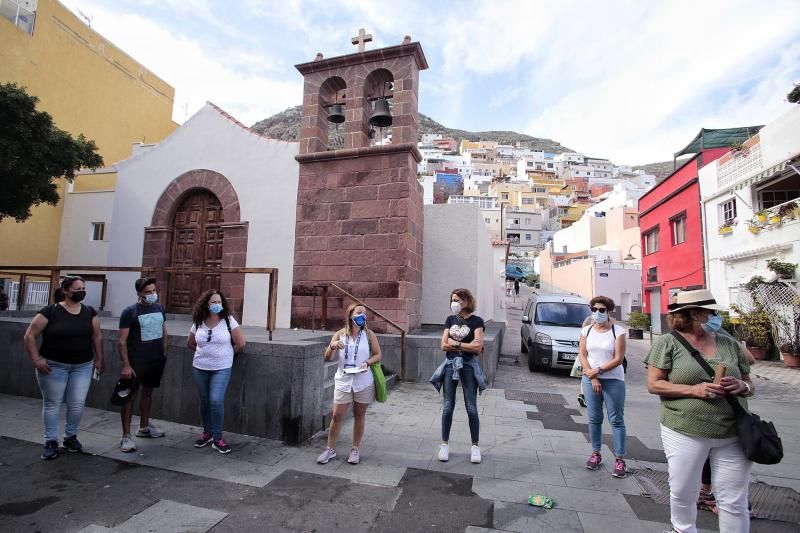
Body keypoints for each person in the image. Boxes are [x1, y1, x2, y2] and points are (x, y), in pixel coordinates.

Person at [644, 289, 753, 533]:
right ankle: (682, 529)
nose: (716, 317)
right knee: (683, 490)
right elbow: (654, 384)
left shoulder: (728, 344)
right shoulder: (668, 342)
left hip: (733, 431)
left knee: (734, 500)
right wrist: (695, 390)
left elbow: (750, 383)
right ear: (695, 314)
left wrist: (741, 386)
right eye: (711, 312)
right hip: (685, 429)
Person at [23, 276, 104, 460]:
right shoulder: (51, 312)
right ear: (66, 291)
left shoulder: (89, 312)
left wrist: (100, 359)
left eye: (83, 288)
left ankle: (70, 437)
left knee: (77, 404)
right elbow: (29, 335)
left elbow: (97, 336)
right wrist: (36, 359)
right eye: (77, 289)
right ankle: (51, 441)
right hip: (53, 366)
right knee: (53, 404)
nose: (81, 292)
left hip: (82, 365)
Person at [318, 303, 382, 465]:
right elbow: (328, 357)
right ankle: (329, 449)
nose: (363, 316)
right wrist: (332, 346)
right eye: (359, 312)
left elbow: (378, 354)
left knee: (359, 415)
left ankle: (355, 449)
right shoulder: (339, 334)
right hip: (343, 381)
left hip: (363, 381)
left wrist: (367, 362)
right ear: (350, 314)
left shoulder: (369, 335)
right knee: (337, 415)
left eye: (365, 313)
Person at [430, 288, 487, 464]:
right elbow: (443, 345)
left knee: (471, 407)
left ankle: (475, 446)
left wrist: (455, 344)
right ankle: (444, 444)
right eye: (452, 300)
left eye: (457, 300)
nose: (453, 303)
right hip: (450, 366)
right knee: (447, 406)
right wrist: (464, 344)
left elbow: (478, 348)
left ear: (466, 301)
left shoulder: (477, 321)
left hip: (468, 366)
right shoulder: (450, 320)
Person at [188, 290, 246, 454]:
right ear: (206, 304)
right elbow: (190, 343)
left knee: (215, 400)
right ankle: (207, 432)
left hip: (221, 368)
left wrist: (227, 354)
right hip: (200, 367)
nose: (216, 305)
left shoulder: (228, 321)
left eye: (219, 302)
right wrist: (204, 354)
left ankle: (218, 437)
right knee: (204, 400)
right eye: (213, 302)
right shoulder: (199, 321)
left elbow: (240, 343)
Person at [578, 296, 628, 478]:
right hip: (591, 379)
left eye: (601, 310)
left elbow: (618, 359)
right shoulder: (586, 331)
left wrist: (597, 371)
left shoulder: (618, 331)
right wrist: (592, 377)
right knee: (594, 418)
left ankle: (620, 458)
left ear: (608, 312)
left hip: (613, 379)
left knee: (616, 419)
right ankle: (595, 453)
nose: (597, 313)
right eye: (594, 309)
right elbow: (582, 355)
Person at [118, 277, 168, 452]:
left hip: (155, 359)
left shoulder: (160, 308)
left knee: (148, 392)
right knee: (129, 396)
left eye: (154, 291)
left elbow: (163, 329)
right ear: (139, 293)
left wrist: (164, 351)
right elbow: (122, 341)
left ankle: (144, 427)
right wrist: (126, 364)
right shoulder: (129, 312)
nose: (152, 294)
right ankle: (126, 435)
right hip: (136, 360)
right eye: (148, 292)